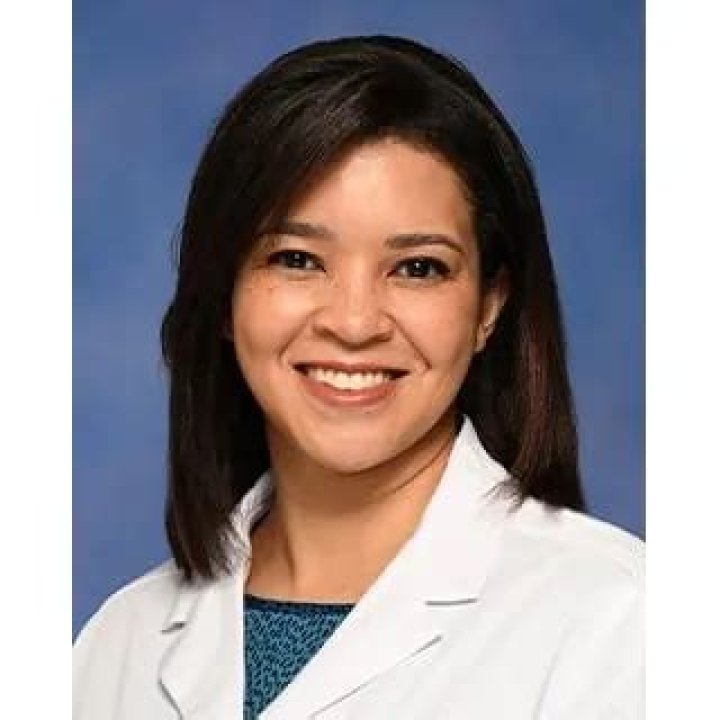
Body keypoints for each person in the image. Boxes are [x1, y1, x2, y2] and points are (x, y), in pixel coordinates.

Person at [73, 35, 644, 719]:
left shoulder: (622, 623)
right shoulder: (117, 645)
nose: (353, 322)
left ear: (488, 307)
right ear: (223, 293)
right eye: (297, 259)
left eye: (418, 268)